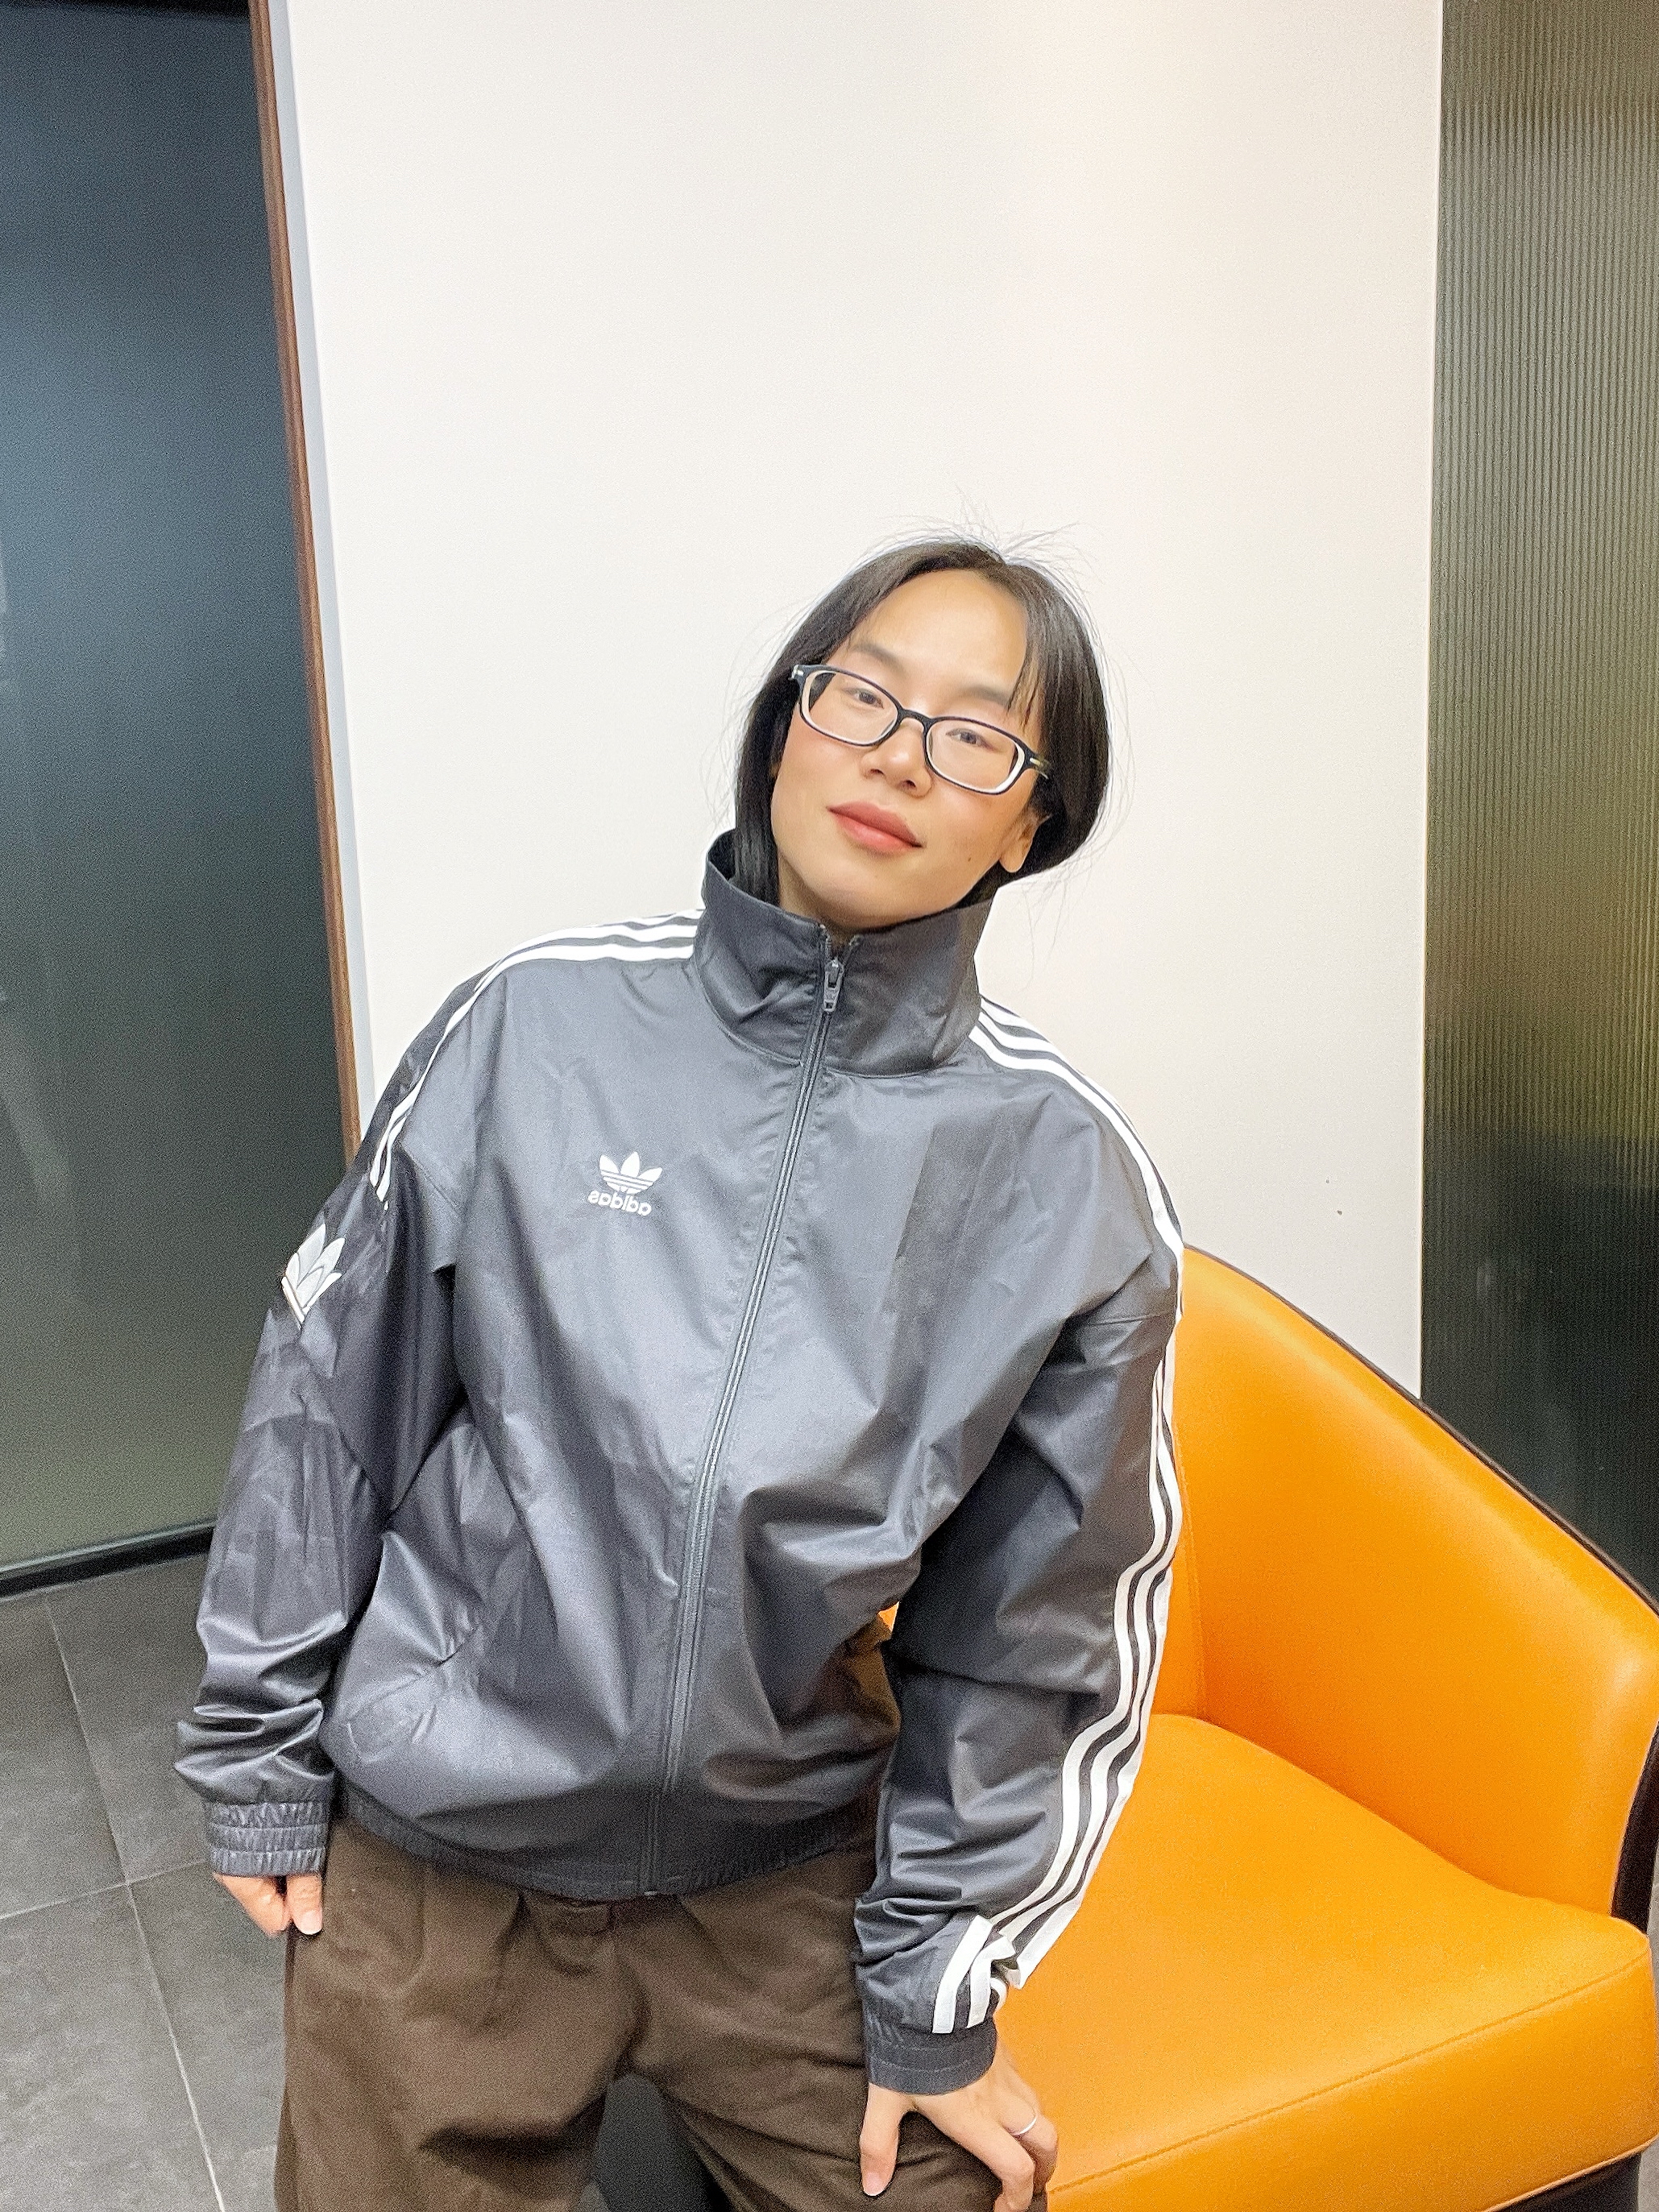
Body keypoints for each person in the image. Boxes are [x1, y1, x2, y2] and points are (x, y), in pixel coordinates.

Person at [177, 537, 1183, 2212]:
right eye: (863, 695)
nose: (897, 757)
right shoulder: (532, 1023)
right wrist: (259, 1755)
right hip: (446, 1852)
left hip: (784, 1871)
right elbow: (328, 1397)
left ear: (1030, 820)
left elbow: (1040, 1625)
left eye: (974, 734)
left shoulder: (1066, 1171)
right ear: (786, 723)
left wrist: (939, 1985)